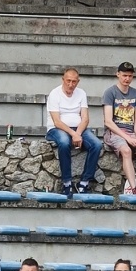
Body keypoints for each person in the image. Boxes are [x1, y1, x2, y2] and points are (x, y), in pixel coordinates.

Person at [101, 62, 136, 196]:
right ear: (118, 74)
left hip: (132, 131)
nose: (127, 78)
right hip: (115, 132)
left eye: (130, 76)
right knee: (126, 151)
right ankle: (134, 188)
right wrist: (128, 138)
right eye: (124, 75)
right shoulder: (110, 92)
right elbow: (108, 121)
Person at [45, 67, 101, 196]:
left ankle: (84, 182)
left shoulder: (81, 93)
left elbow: (85, 118)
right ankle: (67, 183)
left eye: (74, 81)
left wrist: (78, 133)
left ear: (78, 82)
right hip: (57, 129)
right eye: (68, 81)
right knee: (64, 142)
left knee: (97, 144)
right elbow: (57, 121)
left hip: (78, 128)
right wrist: (74, 134)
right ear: (63, 80)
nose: (71, 84)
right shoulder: (54, 94)